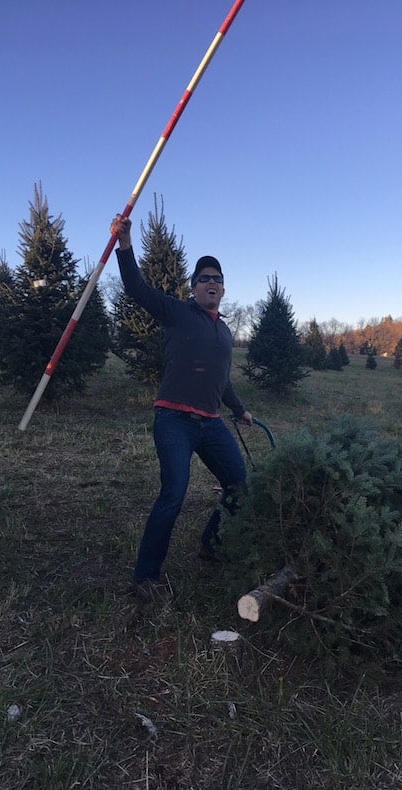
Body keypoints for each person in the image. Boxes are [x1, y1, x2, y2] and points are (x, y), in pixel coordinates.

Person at [110, 214, 253, 602]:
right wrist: (125, 245)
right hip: (174, 418)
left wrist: (239, 410)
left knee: (240, 486)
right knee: (174, 492)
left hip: (210, 423)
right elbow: (136, 289)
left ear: (224, 291)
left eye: (217, 279)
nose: (212, 283)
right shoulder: (177, 313)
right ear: (193, 288)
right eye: (205, 278)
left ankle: (212, 544)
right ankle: (146, 577)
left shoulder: (224, 331)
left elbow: (222, 381)